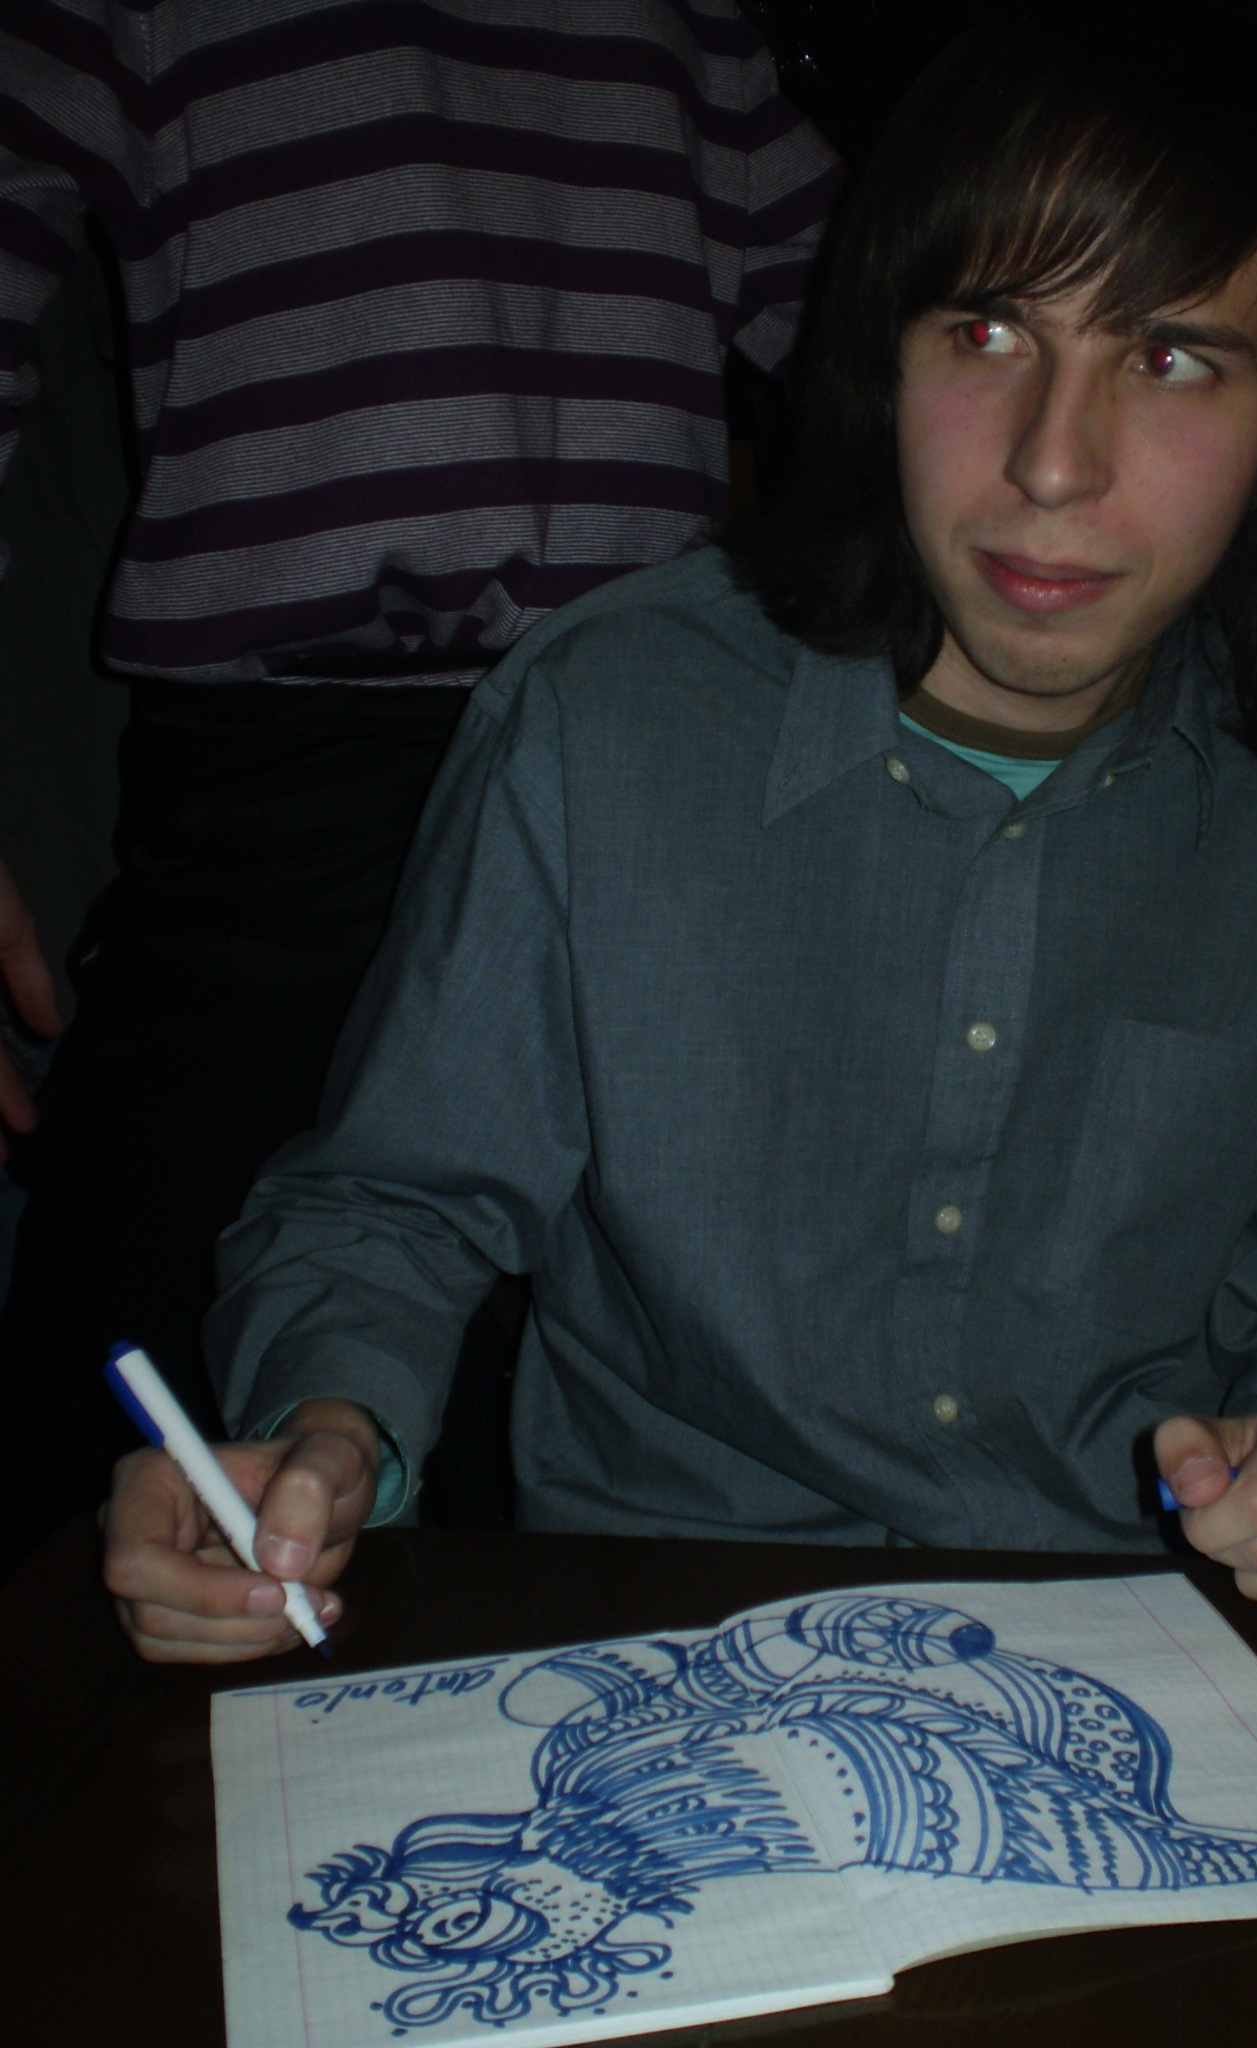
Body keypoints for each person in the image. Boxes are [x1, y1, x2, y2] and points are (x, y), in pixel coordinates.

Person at [103, 0, 1257, 1663]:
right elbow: (387, 1206)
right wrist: (328, 1437)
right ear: (882, 358)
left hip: (1144, 1650)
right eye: (987, 333)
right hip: (653, 1637)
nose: (1055, 465)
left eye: (1171, 358)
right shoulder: (603, 718)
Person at [0, 0, 839, 1570]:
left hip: (646, 763)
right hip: (283, 791)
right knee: (110, 1479)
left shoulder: (694, 19)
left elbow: (880, 335)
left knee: (614, 1429)